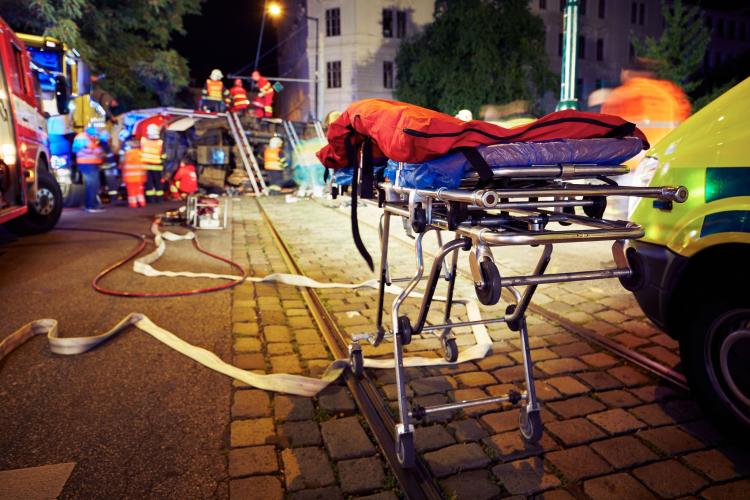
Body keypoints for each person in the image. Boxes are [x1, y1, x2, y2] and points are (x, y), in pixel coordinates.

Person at [72, 125, 105, 212]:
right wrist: (96, 151)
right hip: (87, 163)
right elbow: (76, 150)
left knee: (92, 185)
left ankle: (91, 204)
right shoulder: (82, 137)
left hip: (91, 163)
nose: (96, 135)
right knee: (92, 185)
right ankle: (91, 206)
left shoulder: (89, 137)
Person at [141, 123, 165, 203]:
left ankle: (151, 200)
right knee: (158, 183)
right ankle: (159, 199)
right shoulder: (160, 142)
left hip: (146, 166)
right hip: (157, 166)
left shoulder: (143, 141)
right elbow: (163, 155)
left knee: (149, 184)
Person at [120, 140, 147, 208]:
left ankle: (133, 204)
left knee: (131, 191)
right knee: (140, 191)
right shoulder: (142, 153)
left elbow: (121, 165)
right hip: (140, 177)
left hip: (129, 177)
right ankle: (142, 203)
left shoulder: (127, 154)